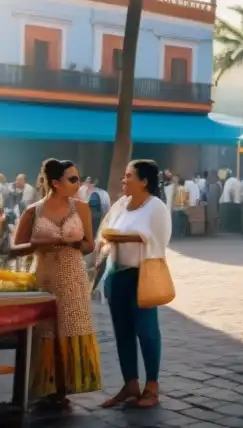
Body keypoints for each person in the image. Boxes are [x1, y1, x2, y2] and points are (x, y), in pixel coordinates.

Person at [13, 159, 102, 409]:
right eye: (72, 179)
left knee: (72, 326)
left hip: (73, 276)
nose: (78, 183)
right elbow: (14, 249)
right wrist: (37, 245)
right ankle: (46, 384)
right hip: (44, 277)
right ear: (55, 183)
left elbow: (89, 245)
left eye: (78, 178)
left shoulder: (81, 208)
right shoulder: (34, 211)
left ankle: (66, 385)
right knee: (45, 330)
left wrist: (74, 244)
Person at [98, 160, 172, 410]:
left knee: (147, 332)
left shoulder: (156, 207)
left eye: (129, 176)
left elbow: (160, 243)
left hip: (142, 275)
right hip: (116, 274)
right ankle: (130, 384)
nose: (124, 180)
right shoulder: (120, 204)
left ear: (144, 181)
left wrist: (133, 239)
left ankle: (152, 386)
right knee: (122, 332)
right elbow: (105, 230)